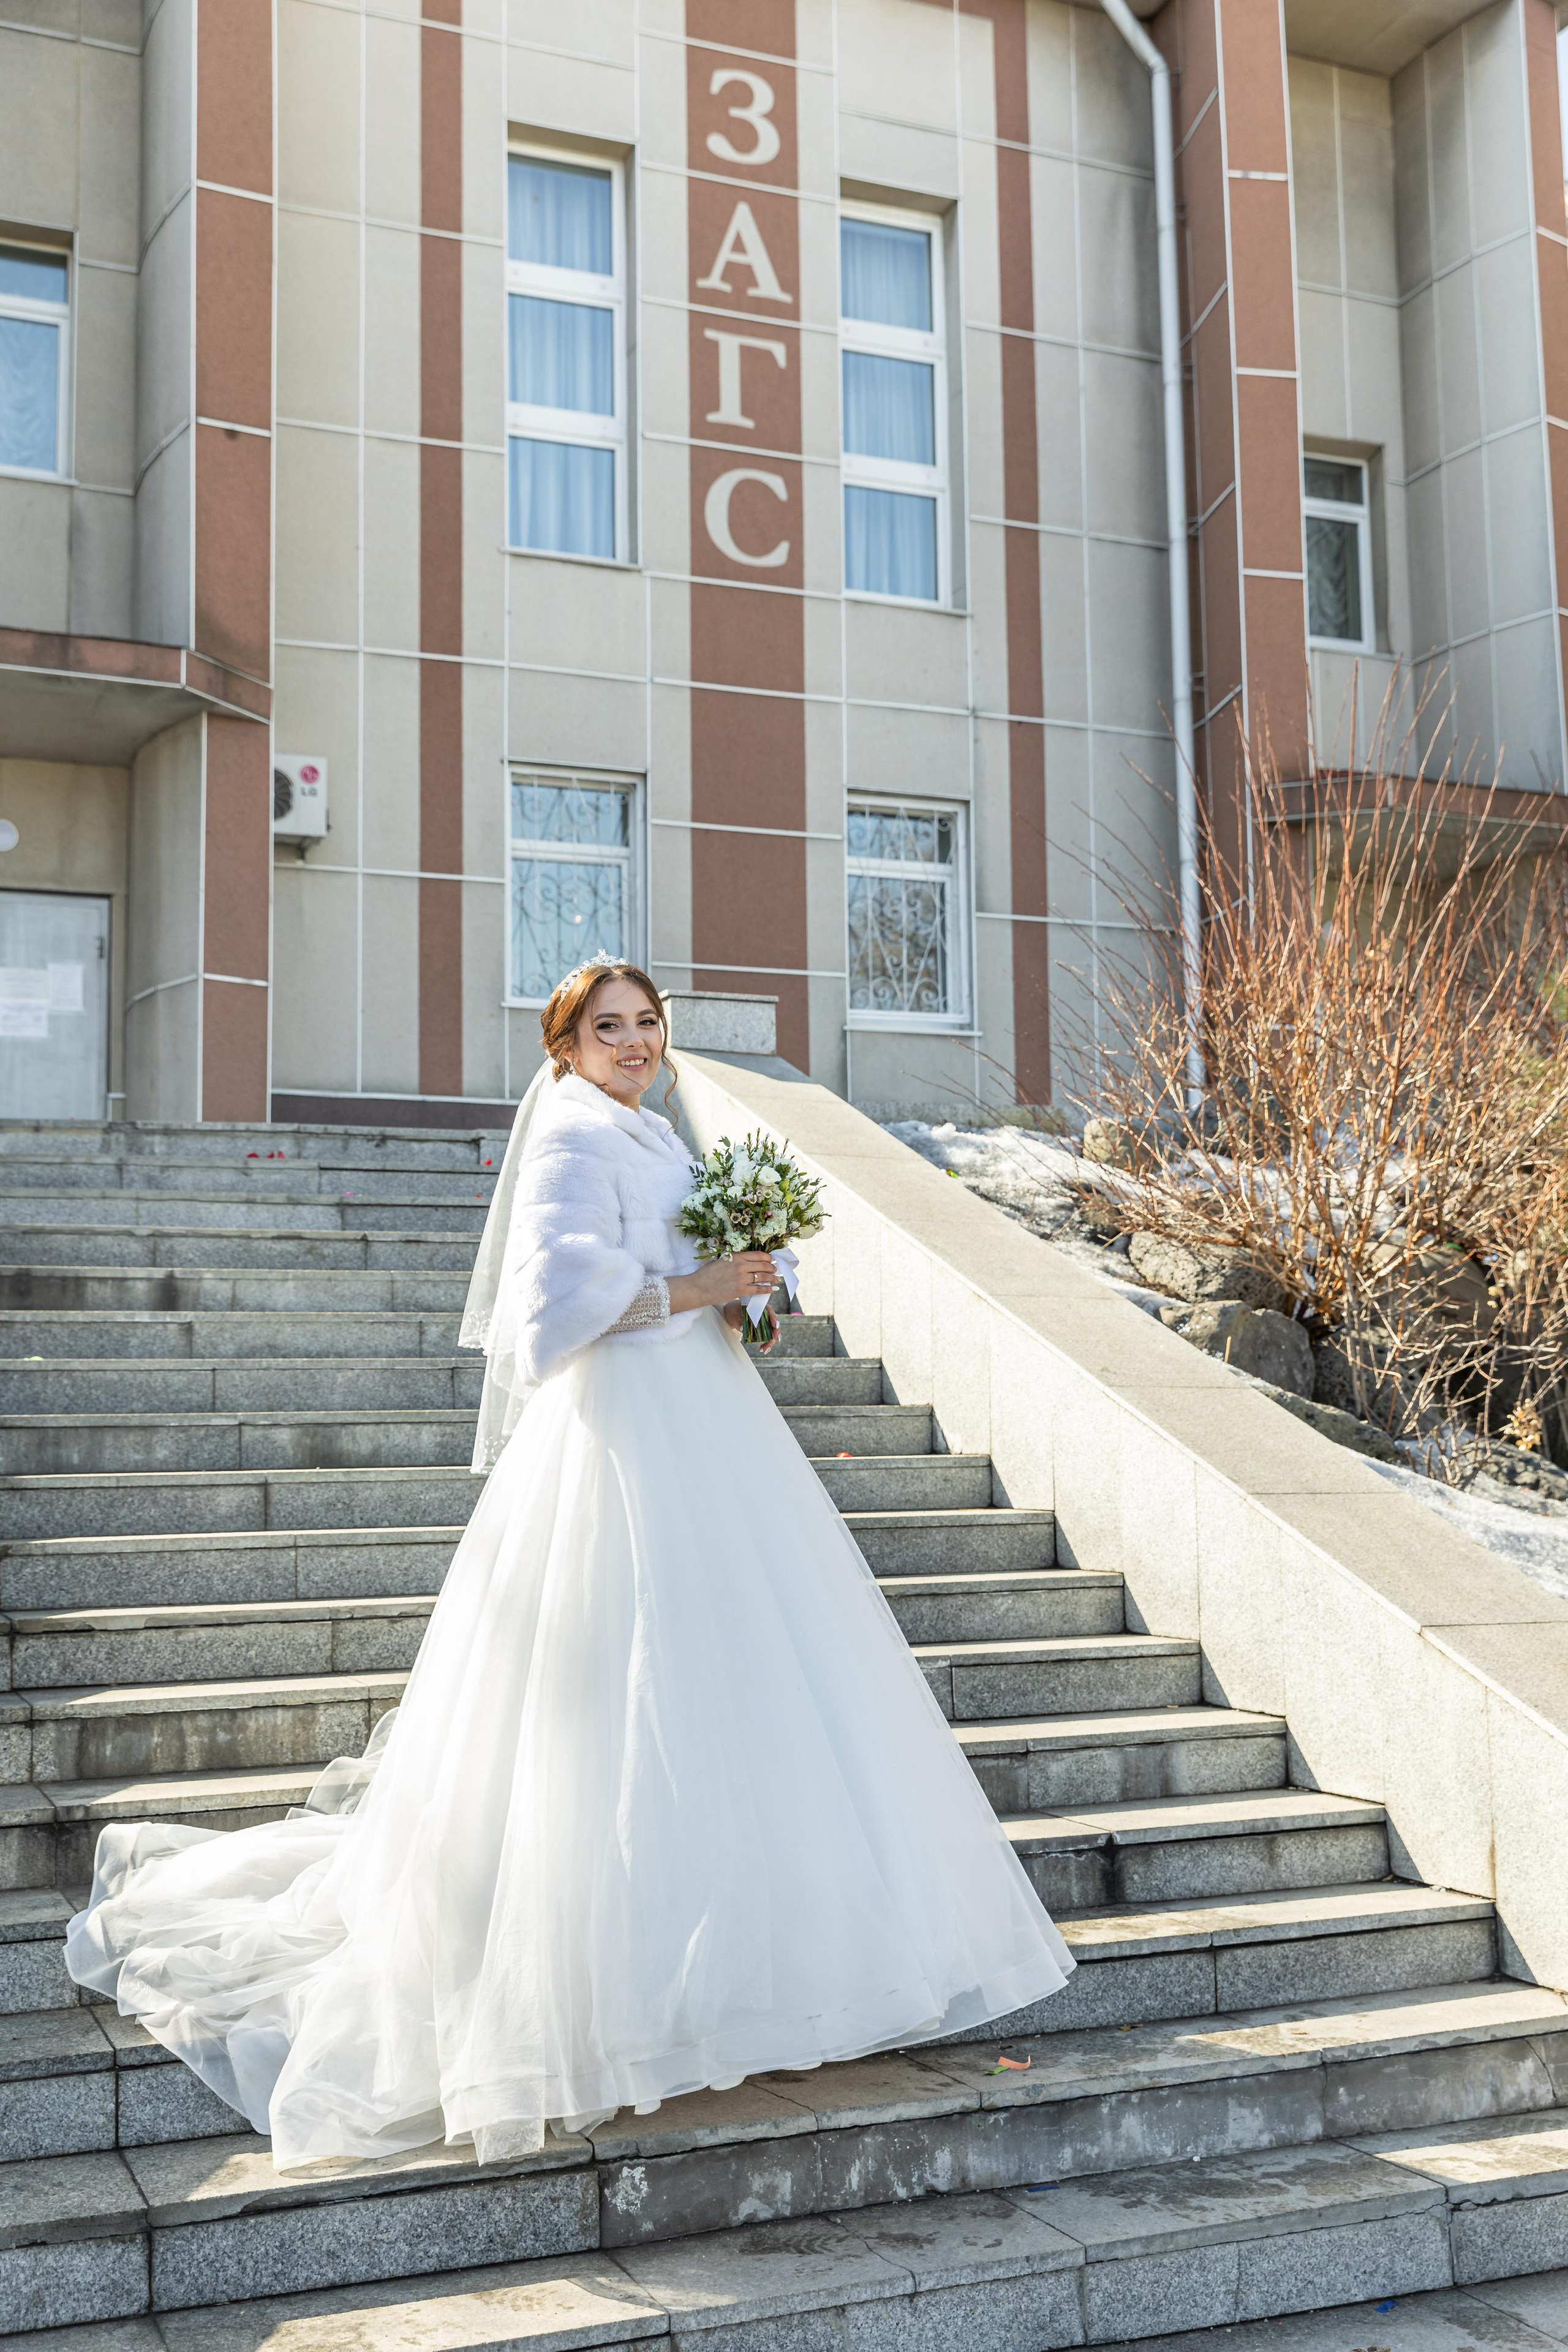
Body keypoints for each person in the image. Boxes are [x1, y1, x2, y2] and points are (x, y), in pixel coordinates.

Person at [65, 957, 1072, 2169]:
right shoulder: (567, 1144)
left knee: (734, 1688)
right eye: (611, 1027)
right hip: (618, 1440)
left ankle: (749, 1978)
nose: (635, 1042)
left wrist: (757, 1290)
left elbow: (718, 1276)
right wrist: (702, 1281)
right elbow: (550, 1309)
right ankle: (612, 1997)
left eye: (649, 1025)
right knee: (621, 1694)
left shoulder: (653, 1134)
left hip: (709, 1422)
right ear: (565, 1044)